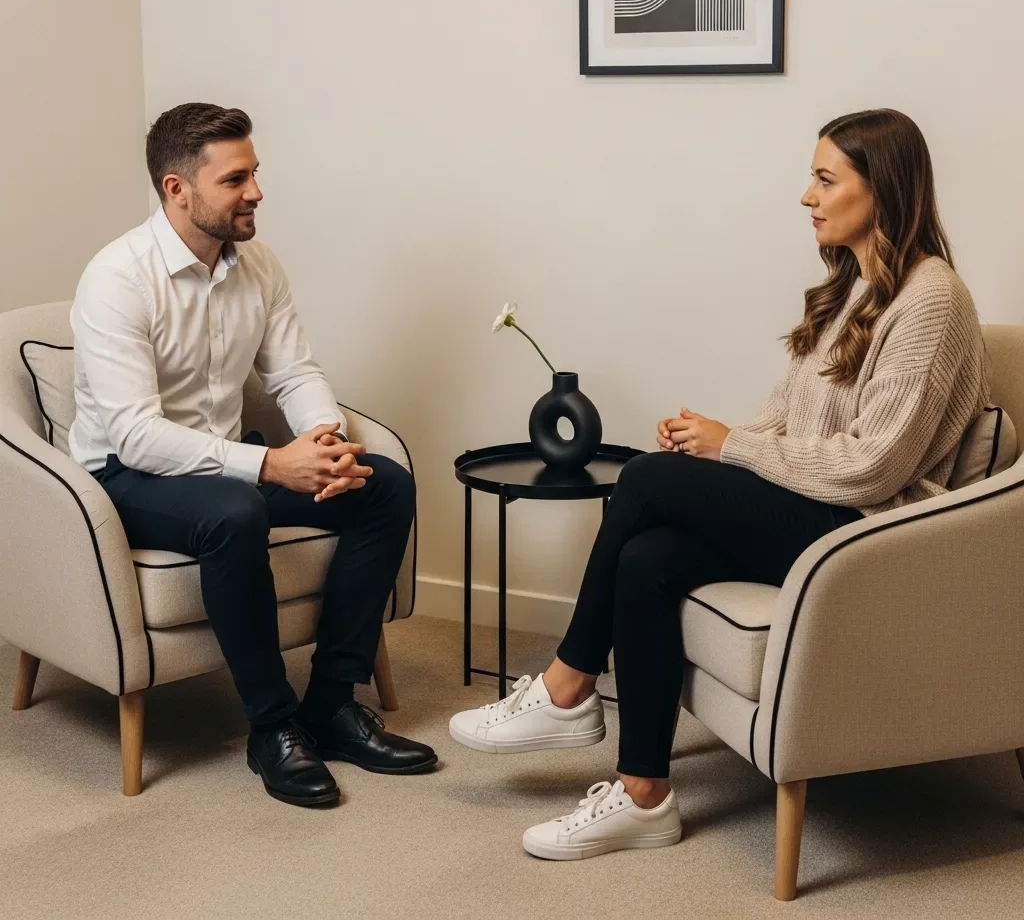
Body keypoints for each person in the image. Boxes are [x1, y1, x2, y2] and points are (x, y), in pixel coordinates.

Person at [449, 108, 989, 860]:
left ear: (884, 189)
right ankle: (644, 796)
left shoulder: (932, 298)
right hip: (817, 510)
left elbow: (876, 465)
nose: (807, 195)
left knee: (641, 479)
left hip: (868, 533)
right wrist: (718, 445)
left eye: (826, 179)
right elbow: (784, 422)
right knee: (649, 558)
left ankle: (568, 684)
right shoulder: (849, 290)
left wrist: (727, 446)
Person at [70, 103, 437, 808]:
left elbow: (293, 373)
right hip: (124, 477)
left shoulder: (257, 264)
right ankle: (271, 729)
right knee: (232, 512)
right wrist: (273, 465)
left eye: (255, 173)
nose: (257, 192)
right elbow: (136, 435)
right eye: (236, 179)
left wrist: (325, 443)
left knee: (383, 484)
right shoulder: (117, 278)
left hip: (224, 462)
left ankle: (329, 706)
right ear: (178, 189)